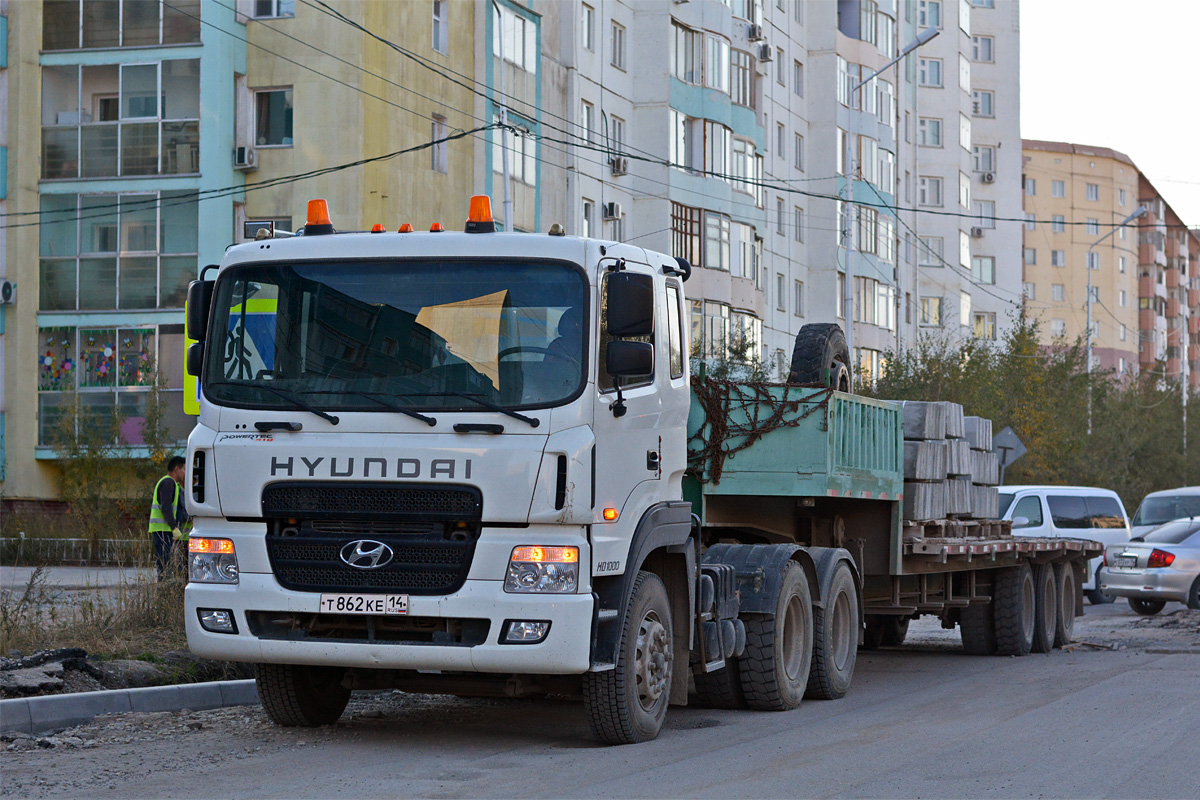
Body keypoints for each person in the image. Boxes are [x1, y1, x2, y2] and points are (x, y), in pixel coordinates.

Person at [149, 456, 190, 579]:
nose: (185, 473)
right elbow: (165, 507)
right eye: (184, 469)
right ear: (176, 469)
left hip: (164, 531)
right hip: (163, 531)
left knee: (167, 566)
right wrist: (174, 527)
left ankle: (165, 593)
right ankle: (163, 594)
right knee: (164, 567)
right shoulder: (168, 482)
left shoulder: (173, 485)